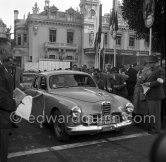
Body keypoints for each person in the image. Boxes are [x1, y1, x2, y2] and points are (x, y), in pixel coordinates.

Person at [0, 56, 19, 162]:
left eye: (13, 64)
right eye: (10, 63)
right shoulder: (2, 71)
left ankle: (12, 125)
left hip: (11, 97)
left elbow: (18, 83)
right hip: (4, 110)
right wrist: (13, 102)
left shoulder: (13, 71)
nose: (12, 65)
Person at [143, 55, 165, 134]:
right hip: (151, 95)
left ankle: (156, 129)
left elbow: (160, 81)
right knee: (152, 113)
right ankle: (153, 128)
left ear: (155, 62)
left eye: (150, 63)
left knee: (155, 114)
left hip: (155, 95)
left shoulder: (159, 70)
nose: (149, 65)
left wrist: (149, 84)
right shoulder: (154, 70)